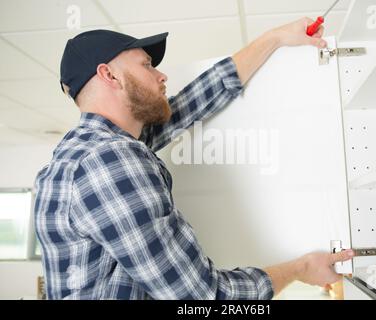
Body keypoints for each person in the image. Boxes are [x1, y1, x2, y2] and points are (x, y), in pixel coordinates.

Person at [34, 17, 354, 300]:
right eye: (146, 65)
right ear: (110, 76)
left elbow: (189, 105)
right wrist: (301, 268)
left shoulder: (80, 154)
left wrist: (276, 38)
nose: (162, 76)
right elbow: (202, 298)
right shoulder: (109, 161)